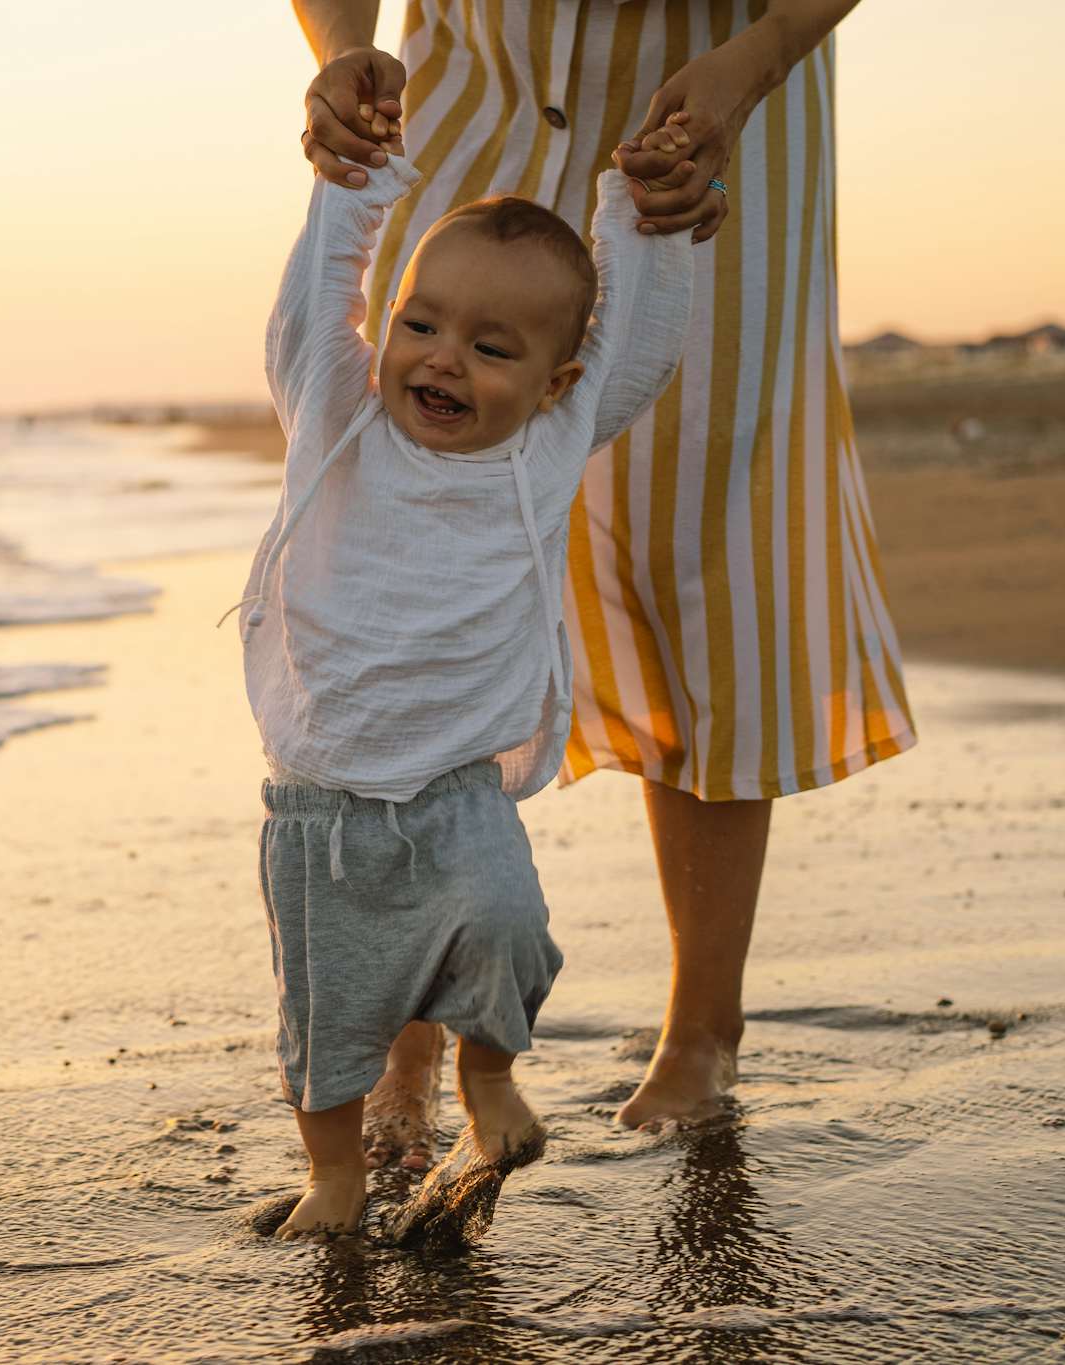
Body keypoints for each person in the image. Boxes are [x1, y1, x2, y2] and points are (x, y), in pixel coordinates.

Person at [290, 0, 917, 1158]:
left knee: (710, 532)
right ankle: (406, 1046)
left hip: (722, 91)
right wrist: (339, 51)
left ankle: (699, 1027)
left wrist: (763, 54)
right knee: (406, 502)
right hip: (469, 87)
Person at [241, 112, 699, 1242]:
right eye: (421, 324)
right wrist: (355, 189)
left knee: (505, 932)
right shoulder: (335, 417)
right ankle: (334, 1177)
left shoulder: (542, 450)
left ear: (554, 386)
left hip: (457, 790)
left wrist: (639, 221)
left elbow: (637, 341)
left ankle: (485, 1085)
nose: (442, 358)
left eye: (492, 350)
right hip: (321, 808)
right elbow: (312, 308)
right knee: (328, 1013)